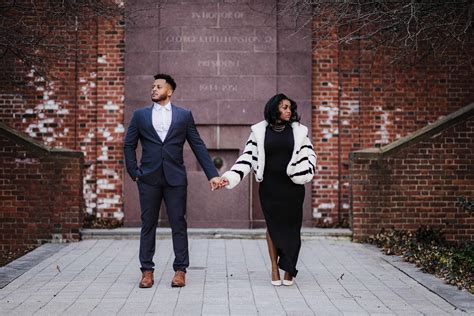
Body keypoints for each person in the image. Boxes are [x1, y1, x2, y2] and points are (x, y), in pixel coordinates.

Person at [124, 73, 221, 288]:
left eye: (158, 86)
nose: (154, 89)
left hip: (175, 178)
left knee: (178, 224)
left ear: (170, 91)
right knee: (147, 225)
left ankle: (180, 271)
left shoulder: (184, 116)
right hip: (148, 178)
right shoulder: (140, 116)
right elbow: (128, 145)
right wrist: (134, 172)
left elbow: (197, 145)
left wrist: (212, 174)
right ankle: (147, 272)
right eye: (152, 86)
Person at [219, 93, 317, 286]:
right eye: (284, 107)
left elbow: (310, 155)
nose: (289, 111)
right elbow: (247, 158)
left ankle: (289, 268)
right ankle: (274, 267)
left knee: (292, 228)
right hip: (270, 187)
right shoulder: (259, 132)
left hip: (292, 187)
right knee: (272, 227)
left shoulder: (299, 132)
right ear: (274, 109)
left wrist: (305, 171)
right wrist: (228, 177)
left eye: (290, 107)